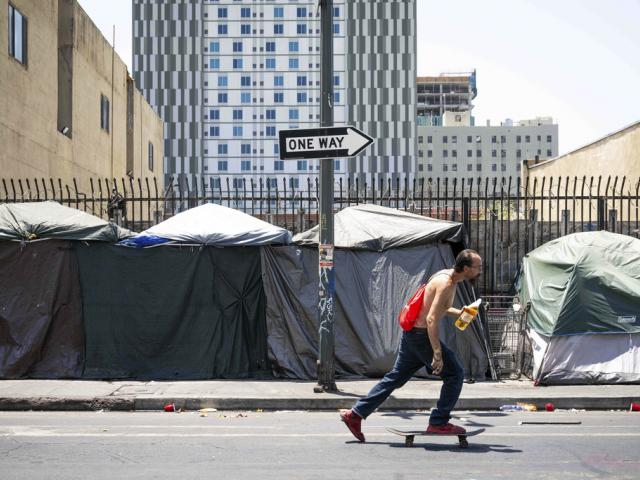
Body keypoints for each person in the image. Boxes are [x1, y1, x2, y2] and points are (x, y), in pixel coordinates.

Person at [340, 249, 483, 442]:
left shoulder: (448, 276)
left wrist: (459, 312)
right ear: (466, 268)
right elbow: (432, 319)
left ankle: (355, 414)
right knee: (455, 373)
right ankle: (439, 422)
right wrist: (437, 354)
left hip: (412, 335)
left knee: (394, 378)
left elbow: (436, 307)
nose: (480, 270)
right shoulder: (446, 283)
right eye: (478, 267)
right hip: (421, 336)